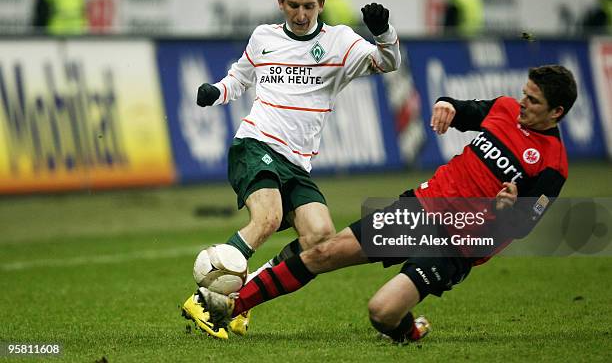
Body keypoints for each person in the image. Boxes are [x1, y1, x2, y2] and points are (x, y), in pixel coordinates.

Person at [195, 65, 577, 342]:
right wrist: (447, 105)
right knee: (323, 251)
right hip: (422, 207)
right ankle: (232, 306)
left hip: (457, 247)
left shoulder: (552, 165)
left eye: (534, 100)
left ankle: (410, 329)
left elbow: (526, 223)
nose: (523, 102)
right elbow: (464, 110)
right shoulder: (506, 109)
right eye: (525, 93)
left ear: (556, 112)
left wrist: (510, 209)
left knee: (382, 313)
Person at [183, 0, 401, 339]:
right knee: (267, 218)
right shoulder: (263, 37)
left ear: (321, 5)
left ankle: (239, 298)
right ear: (281, 2)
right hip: (255, 144)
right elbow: (240, 78)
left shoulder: (341, 43)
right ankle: (204, 301)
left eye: (309, 6)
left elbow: (388, 62)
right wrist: (216, 92)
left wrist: (384, 32)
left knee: (320, 237)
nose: (301, 15)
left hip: (298, 163)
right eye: (294, 5)